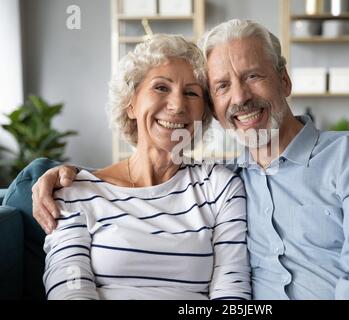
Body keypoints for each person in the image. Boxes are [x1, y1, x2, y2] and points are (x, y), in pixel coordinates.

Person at [33, 20, 349, 300]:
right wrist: (59, 174)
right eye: (221, 86)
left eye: (254, 76)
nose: (239, 98)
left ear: (285, 82)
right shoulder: (233, 178)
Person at [40, 33, 250, 300]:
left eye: (191, 93)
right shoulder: (74, 191)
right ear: (131, 104)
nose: (177, 105)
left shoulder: (219, 187)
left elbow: (231, 290)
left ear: (203, 115)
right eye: (161, 87)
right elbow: (69, 289)